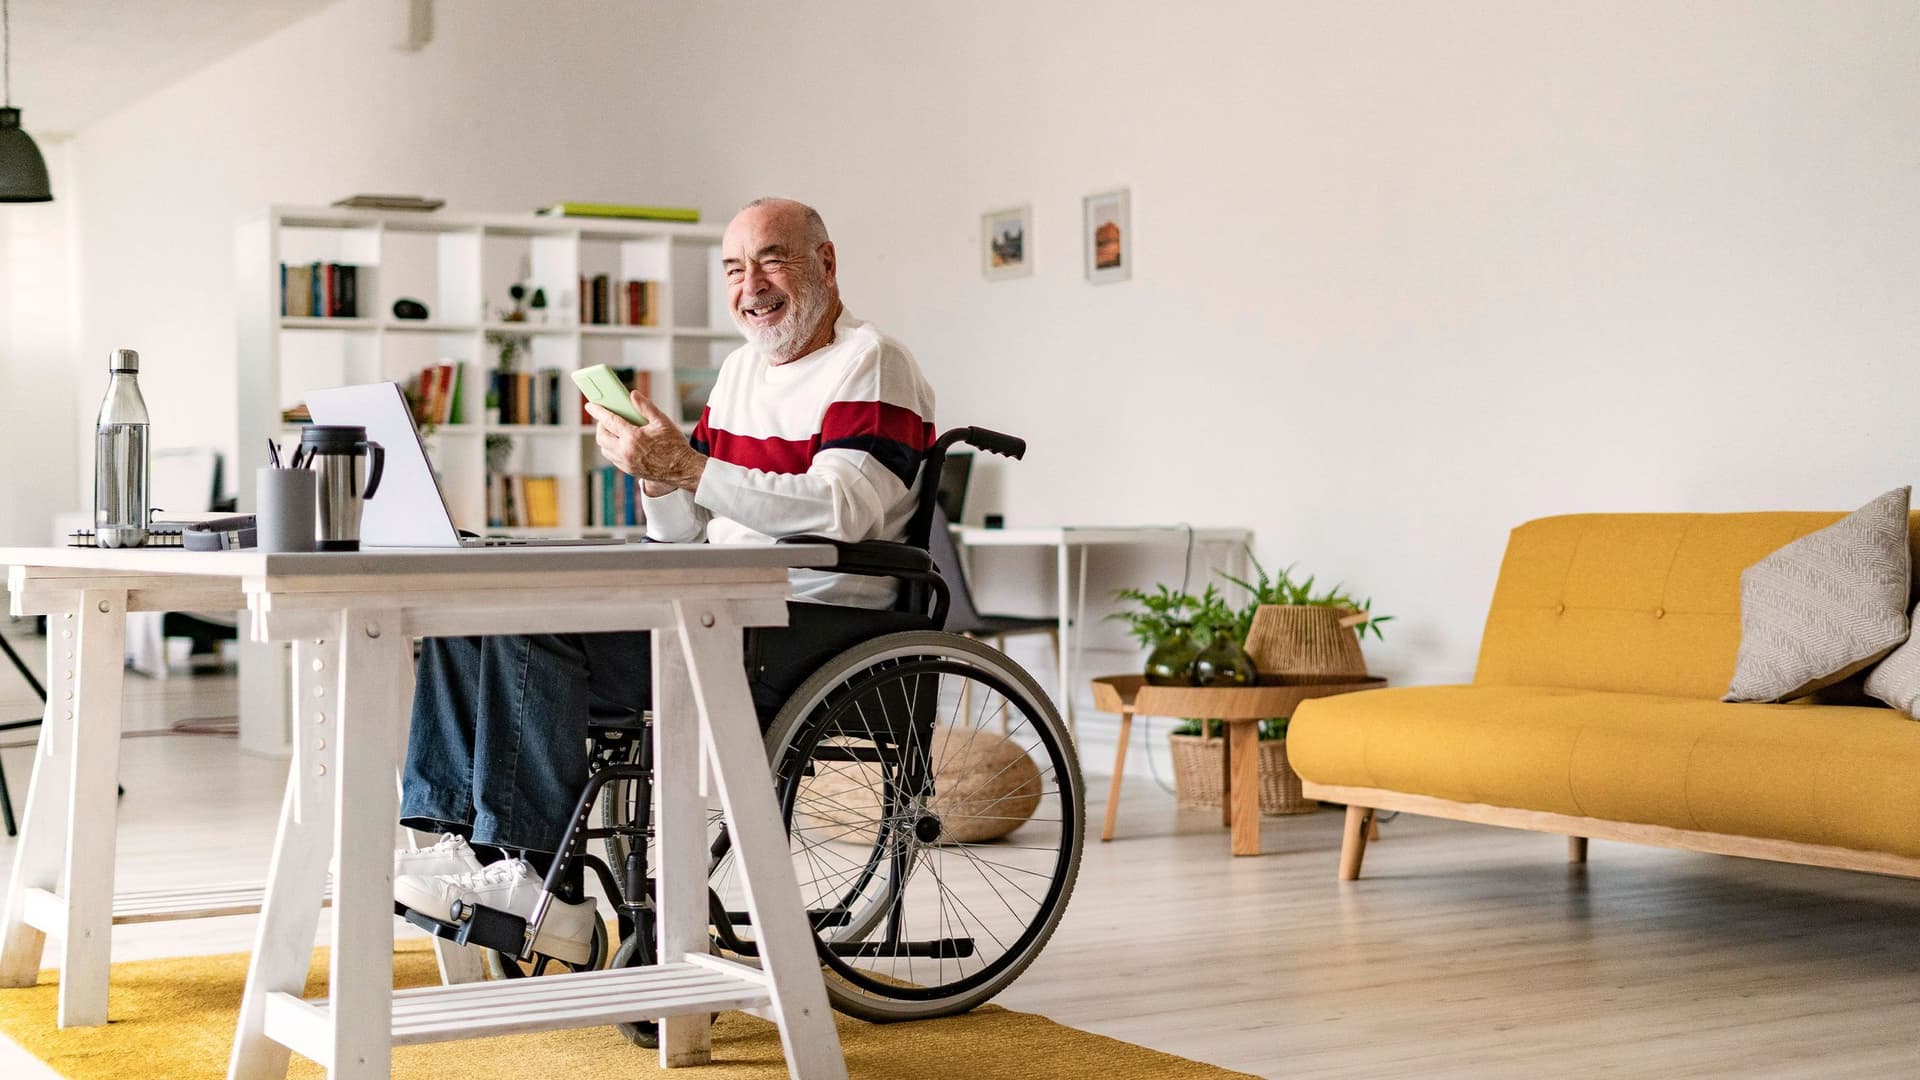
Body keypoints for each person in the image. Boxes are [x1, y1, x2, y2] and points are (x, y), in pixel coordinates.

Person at [389, 198, 937, 967]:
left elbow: (841, 512)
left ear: (826, 263)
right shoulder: (741, 369)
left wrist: (689, 466)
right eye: (734, 269)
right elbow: (682, 534)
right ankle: (465, 851)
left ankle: (544, 886)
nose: (753, 285)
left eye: (772, 259)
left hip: (807, 625)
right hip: (717, 606)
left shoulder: (871, 362)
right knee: (470, 602)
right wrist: (653, 475)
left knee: (533, 622)